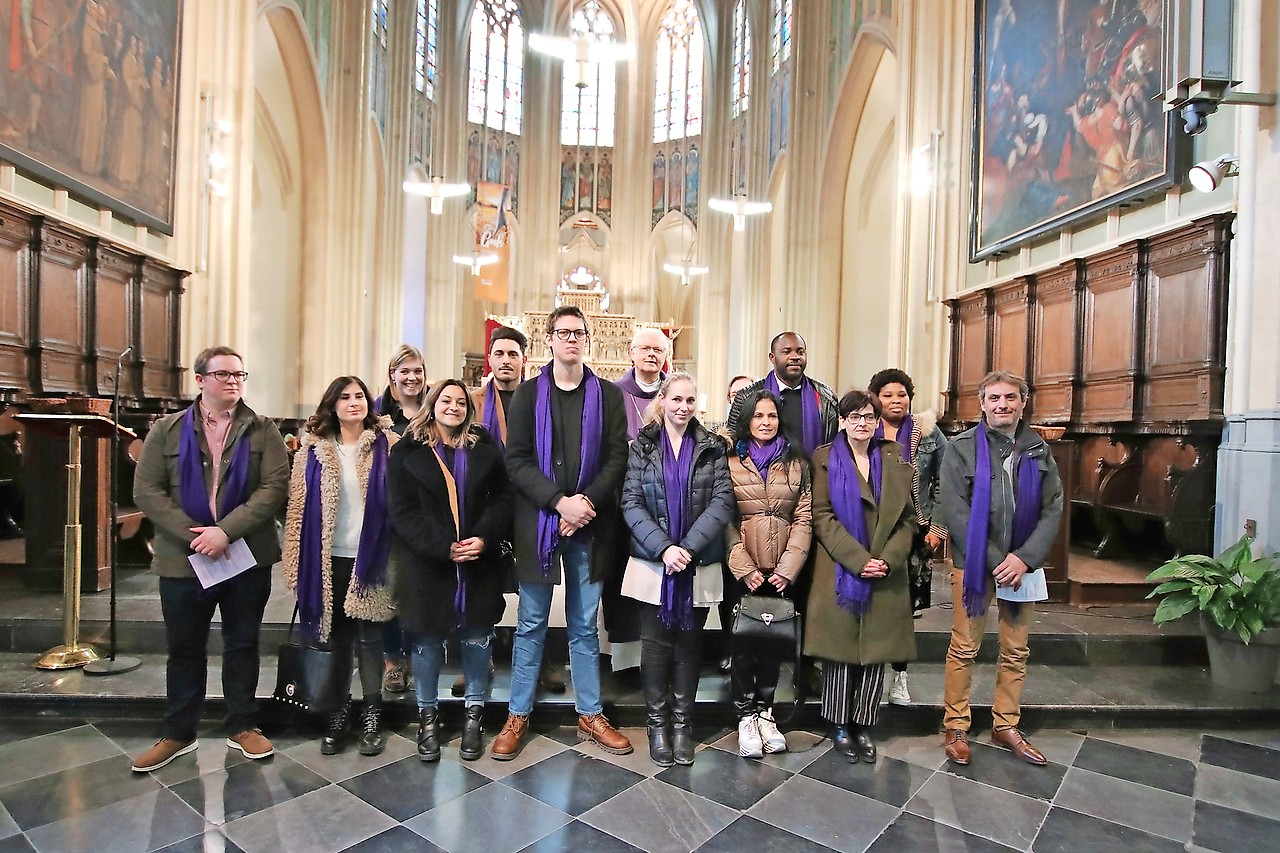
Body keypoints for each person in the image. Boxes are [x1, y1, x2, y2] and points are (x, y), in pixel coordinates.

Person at [131, 347, 289, 773]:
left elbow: (275, 486)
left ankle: (242, 725)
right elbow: (147, 491)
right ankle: (179, 732)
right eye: (223, 374)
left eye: (239, 374)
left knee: (242, 643)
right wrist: (197, 536)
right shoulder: (166, 430)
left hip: (245, 557)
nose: (233, 381)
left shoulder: (263, 429)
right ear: (200, 380)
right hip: (183, 560)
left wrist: (226, 531)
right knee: (184, 648)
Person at [494, 306, 632, 760]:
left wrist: (586, 503)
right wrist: (559, 503)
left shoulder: (609, 396)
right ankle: (517, 714)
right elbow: (517, 461)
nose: (571, 339)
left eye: (578, 333)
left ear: (587, 340)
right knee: (531, 622)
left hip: (590, 528)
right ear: (549, 340)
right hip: (539, 524)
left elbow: (616, 458)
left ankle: (590, 713)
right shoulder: (528, 395)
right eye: (563, 332)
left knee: (583, 626)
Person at [940, 371, 1063, 768]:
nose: (1002, 405)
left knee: (1016, 650)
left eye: (1010, 397)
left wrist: (1024, 558)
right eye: (993, 398)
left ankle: (1005, 723)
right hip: (975, 564)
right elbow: (955, 512)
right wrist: (998, 561)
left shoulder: (1038, 449)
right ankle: (956, 725)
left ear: (1023, 402)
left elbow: (1053, 507)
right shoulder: (960, 448)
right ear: (982, 403)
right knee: (964, 646)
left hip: (1021, 566)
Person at [387, 380, 512, 762]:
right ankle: (428, 716)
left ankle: (474, 715)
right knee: (425, 642)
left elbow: (503, 498)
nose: (454, 407)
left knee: (477, 638)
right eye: (446, 400)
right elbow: (402, 510)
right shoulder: (407, 450)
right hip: (427, 562)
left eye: (461, 402)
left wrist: (485, 538)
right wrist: (442, 547)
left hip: (477, 560)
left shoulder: (485, 446)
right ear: (432, 403)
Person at [621, 373, 734, 767]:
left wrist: (685, 547)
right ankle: (656, 724)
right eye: (676, 399)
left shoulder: (713, 447)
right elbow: (631, 504)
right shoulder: (642, 447)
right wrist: (664, 548)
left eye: (690, 401)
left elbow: (722, 503)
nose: (683, 407)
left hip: (697, 561)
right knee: (654, 645)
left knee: (689, 645)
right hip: (654, 563)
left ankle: (683, 724)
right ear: (663, 400)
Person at [282, 377, 397, 757]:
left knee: (369, 640)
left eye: (359, 396)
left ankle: (371, 715)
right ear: (332, 404)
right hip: (328, 559)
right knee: (335, 639)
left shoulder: (388, 447)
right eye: (345, 397)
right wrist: (295, 567)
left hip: (374, 560)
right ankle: (338, 711)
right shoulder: (312, 452)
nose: (353, 403)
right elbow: (297, 511)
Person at [806, 389, 918, 764]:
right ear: (842, 421)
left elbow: (907, 518)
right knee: (840, 650)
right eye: (854, 417)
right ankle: (838, 723)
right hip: (841, 567)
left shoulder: (894, 456)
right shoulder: (823, 459)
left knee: (876, 649)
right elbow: (821, 515)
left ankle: (863, 722)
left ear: (877, 421)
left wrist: (887, 558)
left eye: (869, 417)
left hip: (885, 567)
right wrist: (857, 559)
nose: (862, 424)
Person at [462, 325, 565, 697]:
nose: (506, 361)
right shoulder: (471, 401)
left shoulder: (540, 399)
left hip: (528, 507)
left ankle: (540, 663)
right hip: (484, 508)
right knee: (482, 587)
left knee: (533, 591)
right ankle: (478, 658)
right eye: (500, 354)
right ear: (490, 358)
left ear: (525, 360)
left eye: (513, 355)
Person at [725, 389, 812, 758]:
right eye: (758, 416)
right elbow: (723, 517)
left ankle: (766, 713)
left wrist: (788, 568)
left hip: (781, 571)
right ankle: (745, 715)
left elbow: (804, 517)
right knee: (743, 645)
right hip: (743, 570)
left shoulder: (796, 462)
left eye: (772, 416)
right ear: (747, 420)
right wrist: (743, 567)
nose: (765, 422)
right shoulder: (728, 461)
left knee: (773, 647)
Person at [868, 368, 949, 706]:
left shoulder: (928, 434)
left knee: (905, 609)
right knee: (872, 605)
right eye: (887, 395)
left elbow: (947, 482)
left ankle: (899, 678)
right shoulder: (863, 428)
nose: (895, 400)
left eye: (901, 394)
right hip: (871, 531)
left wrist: (937, 529)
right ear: (876, 398)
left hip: (915, 531)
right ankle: (869, 680)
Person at [606, 327, 672, 676]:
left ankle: (657, 658)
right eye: (644, 348)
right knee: (621, 579)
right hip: (623, 504)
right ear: (631, 353)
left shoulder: (675, 393)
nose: (651, 354)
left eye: (658, 349)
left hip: (666, 506)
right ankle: (625, 660)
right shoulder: (614, 395)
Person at [374, 344, 427, 693]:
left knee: (420, 588)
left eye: (417, 371)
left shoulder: (434, 409)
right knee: (390, 588)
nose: (411, 377)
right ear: (392, 373)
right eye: (404, 371)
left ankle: (419, 655)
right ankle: (392, 659)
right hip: (387, 511)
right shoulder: (376, 413)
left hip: (425, 512)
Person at [726, 332, 838, 457]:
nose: (795, 357)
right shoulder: (746, 396)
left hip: (813, 473)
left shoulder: (825, 397)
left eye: (800, 352)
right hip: (760, 474)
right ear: (772, 357)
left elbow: (832, 447)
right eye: (787, 352)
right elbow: (731, 444)